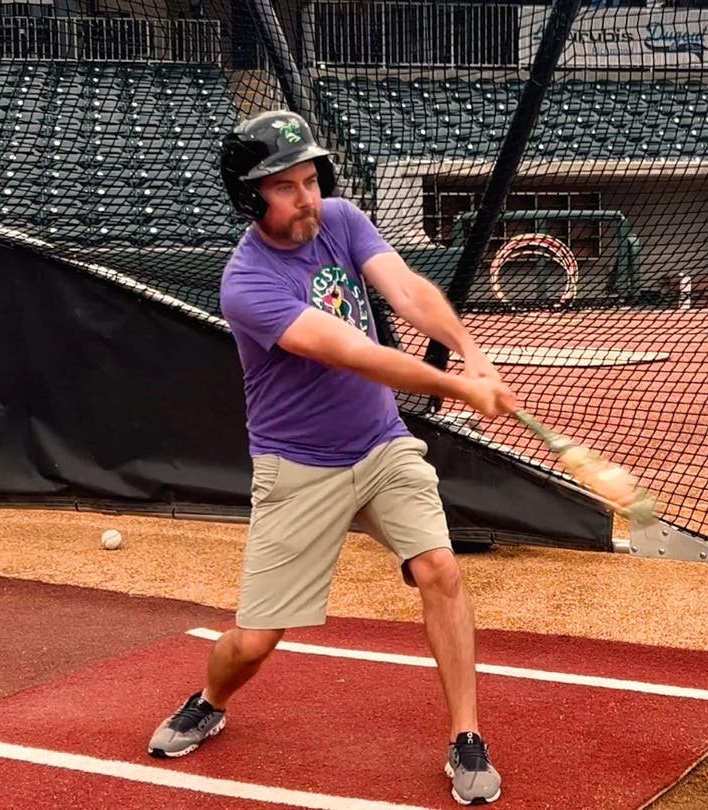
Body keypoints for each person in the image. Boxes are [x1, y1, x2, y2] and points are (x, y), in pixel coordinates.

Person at [146, 110, 515, 807]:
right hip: (298, 466)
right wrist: (456, 386)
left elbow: (406, 291)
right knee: (255, 642)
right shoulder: (247, 284)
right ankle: (210, 697)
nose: (305, 197)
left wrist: (472, 351)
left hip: (380, 445)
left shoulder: (341, 219)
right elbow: (356, 351)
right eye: (284, 187)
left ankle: (466, 735)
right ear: (251, 198)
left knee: (439, 568)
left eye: (309, 180)